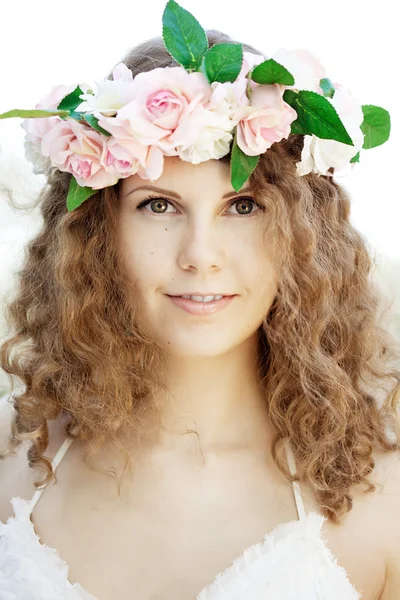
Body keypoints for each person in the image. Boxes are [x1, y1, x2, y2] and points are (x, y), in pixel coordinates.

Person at [0, 2, 399, 598]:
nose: (200, 254)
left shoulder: (383, 497)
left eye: (243, 206)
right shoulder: (11, 459)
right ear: (96, 233)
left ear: (303, 231)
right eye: (157, 205)